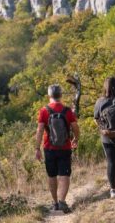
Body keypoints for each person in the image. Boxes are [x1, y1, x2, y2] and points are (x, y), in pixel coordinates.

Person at [35, 84, 79, 213]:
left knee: (52, 175)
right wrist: (76, 138)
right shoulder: (67, 110)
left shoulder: (44, 110)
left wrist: (37, 148)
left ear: (49, 95)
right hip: (65, 147)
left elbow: (39, 130)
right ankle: (62, 202)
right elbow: (75, 127)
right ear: (60, 95)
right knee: (64, 174)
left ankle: (54, 203)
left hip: (49, 148)